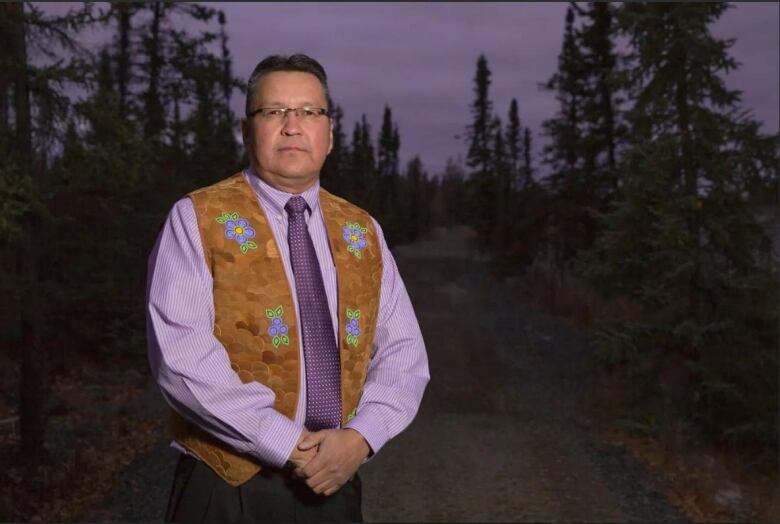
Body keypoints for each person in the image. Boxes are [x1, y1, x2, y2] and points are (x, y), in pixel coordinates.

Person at [146, 53, 430, 523]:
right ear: (246, 129)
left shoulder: (362, 231)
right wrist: (289, 444)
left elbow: (404, 354)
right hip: (225, 487)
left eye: (309, 112)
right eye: (274, 111)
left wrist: (361, 438)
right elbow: (181, 359)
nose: (292, 125)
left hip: (334, 483)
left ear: (330, 133)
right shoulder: (198, 218)